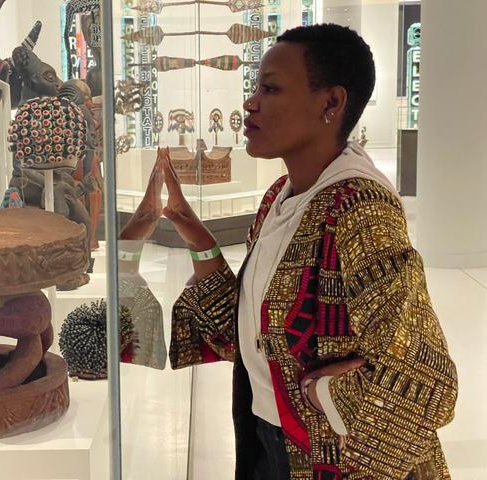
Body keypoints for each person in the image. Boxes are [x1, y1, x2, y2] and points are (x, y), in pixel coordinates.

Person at [152, 24, 458, 480]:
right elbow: (256, 335)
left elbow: (426, 381)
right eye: (256, 87)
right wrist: (196, 235)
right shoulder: (282, 197)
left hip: (330, 461)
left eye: (271, 89)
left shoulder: (359, 209)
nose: (250, 103)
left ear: (330, 103)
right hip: (268, 441)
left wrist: (323, 394)